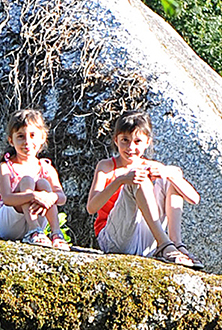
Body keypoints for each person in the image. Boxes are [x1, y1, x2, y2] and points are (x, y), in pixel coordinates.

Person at [86, 111, 200, 266]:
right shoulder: (106, 166)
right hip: (114, 240)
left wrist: (169, 174)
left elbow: (194, 199)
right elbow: (91, 208)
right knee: (137, 180)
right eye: (125, 140)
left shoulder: (150, 166)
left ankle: (176, 244)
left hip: (146, 240)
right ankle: (165, 244)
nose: (131, 147)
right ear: (116, 140)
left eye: (137, 141)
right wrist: (121, 180)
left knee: (171, 174)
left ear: (148, 142)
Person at [0, 109, 70, 246]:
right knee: (27, 181)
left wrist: (50, 197)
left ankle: (56, 234)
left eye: (32, 135)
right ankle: (33, 230)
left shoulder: (46, 168)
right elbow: (7, 199)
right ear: (11, 141)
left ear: (42, 138)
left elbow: (61, 197)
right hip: (8, 224)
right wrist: (32, 196)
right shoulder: (6, 167)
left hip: (38, 217)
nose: (27, 142)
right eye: (21, 136)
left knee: (43, 184)